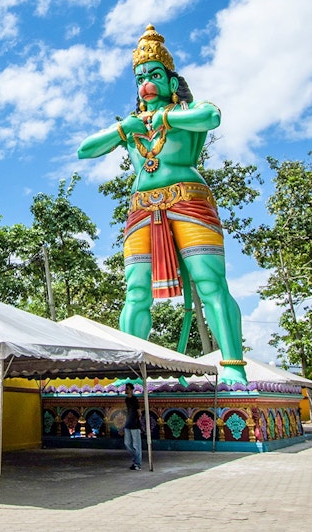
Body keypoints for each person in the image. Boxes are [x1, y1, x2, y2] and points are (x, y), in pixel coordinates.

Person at [78, 24, 247, 384]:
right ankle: (132, 372)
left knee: (210, 282)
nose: (146, 84)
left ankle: (233, 367)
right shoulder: (133, 127)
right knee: (135, 290)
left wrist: (165, 117)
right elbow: (85, 150)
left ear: (172, 82)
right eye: (140, 78)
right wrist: (125, 129)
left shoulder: (188, 111)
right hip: (141, 207)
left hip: (188, 199)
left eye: (154, 75)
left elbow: (212, 116)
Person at [123, 383, 142, 470]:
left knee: (136, 444)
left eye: (127, 389)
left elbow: (139, 412)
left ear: (131, 390)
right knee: (127, 443)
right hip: (128, 423)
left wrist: (137, 420)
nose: (126, 390)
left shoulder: (134, 399)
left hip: (134, 424)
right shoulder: (127, 400)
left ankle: (137, 463)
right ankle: (136, 458)